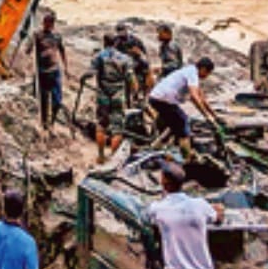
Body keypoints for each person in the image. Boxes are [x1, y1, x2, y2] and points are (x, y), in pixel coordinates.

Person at [147, 58, 224, 157]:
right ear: (203, 69)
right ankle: (187, 159)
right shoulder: (193, 74)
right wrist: (207, 116)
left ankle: (155, 147)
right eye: (208, 73)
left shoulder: (190, 71)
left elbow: (202, 98)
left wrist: (215, 116)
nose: (207, 76)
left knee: (174, 123)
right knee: (183, 124)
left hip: (157, 98)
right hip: (163, 100)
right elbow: (194, 97)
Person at [83, 34, 136, 163]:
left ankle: (101, 156)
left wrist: (83, 78)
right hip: (118, 96)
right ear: (115, 43)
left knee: (101, 126)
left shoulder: (99, 56)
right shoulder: (125, 58)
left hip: (103, 96)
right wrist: (134, 92)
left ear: (104, 42)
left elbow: (91, 73)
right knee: (117, 129)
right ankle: (113, 159)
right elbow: (131, 78)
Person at [28, 13, 67, 132]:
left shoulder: (57, 36)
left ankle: (52, 122)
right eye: (46, 22)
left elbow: (62, 50)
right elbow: (28, 50)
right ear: (43, 22)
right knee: (43, 99)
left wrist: (66, 66)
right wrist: (31, 42)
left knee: (57, 100)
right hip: (42, 72)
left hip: (55, 70)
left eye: (50, 23)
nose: (48, 25)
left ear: (53, 24)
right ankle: (45, 123)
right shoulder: (38, 35)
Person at [115, 22, 152, 101]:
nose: (121, 33)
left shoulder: (135, 40)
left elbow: (143, 52)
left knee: (146, 66)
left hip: (136, 61)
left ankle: (144, 91)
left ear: (126, 30)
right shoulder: (116, 41)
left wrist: (137, 53)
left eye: (122, 31)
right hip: (122, 63)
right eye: (119, 32)